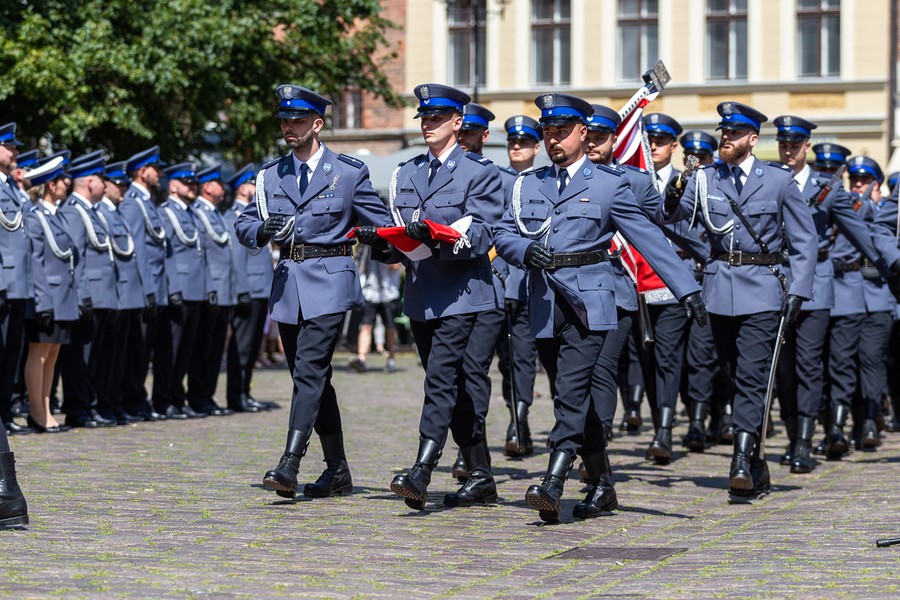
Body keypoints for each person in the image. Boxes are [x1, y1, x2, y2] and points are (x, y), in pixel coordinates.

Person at [494, 93, 706, 522]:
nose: (553, 139)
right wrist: (522, 250)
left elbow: (649, 237)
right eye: (547, 132)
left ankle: (554, 477)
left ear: (582, 133)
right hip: (546, 301)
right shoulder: (528, 184)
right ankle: (604, 485)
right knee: (571, 395)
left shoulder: (609, 185)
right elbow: (502, 231)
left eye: (561, 131)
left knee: (571, 389)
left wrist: (687, 290)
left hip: (591, 302)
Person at [235, 83, 393, 500]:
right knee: (312, 378)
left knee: (308, 371)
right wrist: (260, 230)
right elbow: (245, 223)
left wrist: (393, 244)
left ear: (318, 124)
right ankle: (338, 469)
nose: (290, 127)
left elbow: (378, 225)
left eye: (299, 120)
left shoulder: (347, 172)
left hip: (330, 277)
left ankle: (289, 462)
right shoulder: (270, 175)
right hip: (289, 283)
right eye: (285, 120)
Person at [659, 101, 818, 500]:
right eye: (723, 133)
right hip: (717, 288)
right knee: (732, 375)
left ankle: (741, 459)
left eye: (733, 134)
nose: (725, 139)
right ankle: (758, 461)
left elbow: (804, 240)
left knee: (752, 375)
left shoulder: (779, 180)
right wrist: (674, 190)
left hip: (763, 288)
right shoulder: (705, 178)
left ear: (752, 138)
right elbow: (674, 221)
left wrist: (799, 290)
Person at [382, 83, 503, 511]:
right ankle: (482, 474)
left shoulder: (480, 172)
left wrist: (440, 236)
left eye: (437, 118)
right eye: (425, 118)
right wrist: (386, 245)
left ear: (457, 123)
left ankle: (422, 467)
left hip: (462, 291)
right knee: (452, 385)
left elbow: (482, 231)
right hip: (420, 293)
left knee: (440, 379)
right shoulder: (406, 172)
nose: (428, 125)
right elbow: (398, 226)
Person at [771, 117, 888, 472]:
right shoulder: (770, 180)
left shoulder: (828, 188)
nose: (788, 150)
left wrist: (891, 266)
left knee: (809, 365)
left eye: (795, 144)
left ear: (806, 145)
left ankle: (803, 443)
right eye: (783, 143)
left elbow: (859, 233)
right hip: (776, 280)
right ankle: (792, 436)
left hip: (817, 284)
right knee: (784, 369)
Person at [826, 156, 895, 454]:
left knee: (871, 358)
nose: (857, 185)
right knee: (842, 361)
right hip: (844, 293)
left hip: (878, 296)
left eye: (864, 181)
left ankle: (869, 419)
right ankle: (840, 427)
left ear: (876, 185)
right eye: (853, 180)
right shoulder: (842, 208)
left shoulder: (881, 211)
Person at [58, 151, 122, 428]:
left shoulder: (90, 212)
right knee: (79, 359)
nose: (106, 186)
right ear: (90, 182)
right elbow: (76, 258)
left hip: (102, 295)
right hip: (88, 296)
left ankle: (91, 403)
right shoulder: (74, 211)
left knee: (95, 358)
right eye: (102, 180)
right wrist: (82, 295)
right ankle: (78, 407)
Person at [676, 130, 729, 450]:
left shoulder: (719, 191)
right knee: (685, 358)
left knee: (712, 354)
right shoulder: (682, 191)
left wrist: (699, 252)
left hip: (712, 280)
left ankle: (719, 415)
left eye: (703, 159)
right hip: (683, 281)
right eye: (690, 160)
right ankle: (696, 417)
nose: (695, 166)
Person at [152, 162, 212, 419]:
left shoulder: (190, 213)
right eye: (186, 182)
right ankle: (162, 399)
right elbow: (165, 255)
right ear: (173, 186)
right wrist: (173, 287)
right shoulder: (166, 212)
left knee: (186, 350)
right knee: (169, 351)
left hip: (195, 289)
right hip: (179, 289)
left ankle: (178, 396)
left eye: (194, 183)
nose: (192, 186)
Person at [23, 156, 77, 434]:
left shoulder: (57, 216)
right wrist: (42, 301)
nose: (65, 185)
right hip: (47, 297)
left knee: (53, 354)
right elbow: (36, 262)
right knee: (40, 353)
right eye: (60, 182)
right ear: (49, 186)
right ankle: (36, 411)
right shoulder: (35, 218)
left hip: (62, 297)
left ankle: (45, 409)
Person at [498, 115, 542, 456]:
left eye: (524, 142)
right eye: (513, 142)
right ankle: (517, 417)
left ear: (535, 148)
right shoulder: (495, 181)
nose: (517, 147)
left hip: (529, 284)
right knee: (502, 362)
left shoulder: (543, 182)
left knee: (523, 358)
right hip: (496, 282)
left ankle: (519, 418)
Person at [120, 146, 171, 421]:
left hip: (155, 290)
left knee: (146, 351)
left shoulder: (147, 202)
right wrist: (148, 291)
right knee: (137, 353)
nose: (159, 174)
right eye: (156, 169)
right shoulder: (132, 203)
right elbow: (137, 250)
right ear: (142, 172)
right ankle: (134, 399)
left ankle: (139, 399)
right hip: (144, 290)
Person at [96, 160, 148, 422]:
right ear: (106, 187)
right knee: (106, 357)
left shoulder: (116, 212)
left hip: (125, 294)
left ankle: (114, 402)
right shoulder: (102, 212)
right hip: (114, 293)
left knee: (119, 356)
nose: (123, 189)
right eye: (119, 184)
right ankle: (104, 402)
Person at [224, 163, 274, 413]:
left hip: (260, 289)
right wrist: (241, 289)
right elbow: (236, 259)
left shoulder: (254, 215)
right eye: (253, 184)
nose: (257, 189)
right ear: (243, 188)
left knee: (253, 346)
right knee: (241, 347)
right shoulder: (234, 217)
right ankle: (236, 395)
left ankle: (245, 391)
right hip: (248, 290)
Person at [187, 165, 235, 417]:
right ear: (207, 187)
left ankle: (207, 394)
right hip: (209, 289)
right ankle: (198, 395)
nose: (223, 188)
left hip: (223, 290)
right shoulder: (197, 213)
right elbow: (201, 256)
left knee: (215, 348)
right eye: (219, 183)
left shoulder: (215, 213)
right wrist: (210, 288)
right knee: (202, 348)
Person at [0, 124, 34, 436]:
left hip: (18, 283)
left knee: (12, 352)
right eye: (9, 147)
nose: (16, 153)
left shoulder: (10, 187)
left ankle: (4, 413)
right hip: (3, 282)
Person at [350, 245, 401, 373]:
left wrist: (382, 251)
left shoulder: (391, 244)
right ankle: (361, 358)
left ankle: (391, 358)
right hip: (369, 291)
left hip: (388, 292)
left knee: (390, 326)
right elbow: (358, 264)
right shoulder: (365, 245)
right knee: (366, 325)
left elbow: (395, 266)